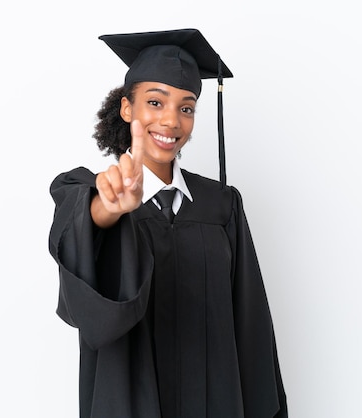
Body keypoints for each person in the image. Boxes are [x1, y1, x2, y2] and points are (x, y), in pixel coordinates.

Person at [48, 28, 288, 418]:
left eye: (186, 107)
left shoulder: (222, 206)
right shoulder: (90, 193)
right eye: (155, 102)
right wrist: (109, 211)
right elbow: (85, 284)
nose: (171, 121)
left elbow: (251, 326)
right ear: (127, 108)